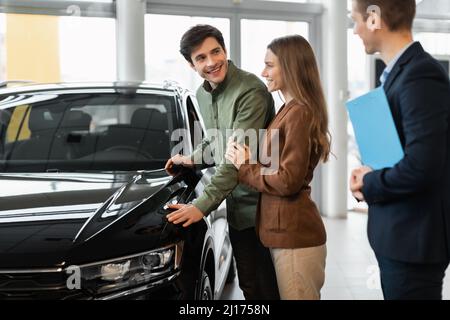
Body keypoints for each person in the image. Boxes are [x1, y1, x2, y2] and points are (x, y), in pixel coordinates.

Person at [164, 24, 279, 300]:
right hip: (237, 208)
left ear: (225, 50)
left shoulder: (250, 90)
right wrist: (189, 159)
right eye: (201, 58)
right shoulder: (203, 94)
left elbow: (234, 160)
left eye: (215, 52)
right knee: (250, 286)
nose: (212, 62)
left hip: (261, 210)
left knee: (264, 289)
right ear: (191, 65)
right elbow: (216, 143)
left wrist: (200, 206)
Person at [349, 0, 450, 300]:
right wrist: (369, 174)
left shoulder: (420, 75)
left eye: (355, 20)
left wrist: (370, 183)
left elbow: (422, 166)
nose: (354, 30)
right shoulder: (398, 74)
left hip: (414, 242)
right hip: (401, 236)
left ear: (374, 18)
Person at [225, 35, 330, 300]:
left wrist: (246, 167)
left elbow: (287, 180)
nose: (263, 73)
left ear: (291, 66)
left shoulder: (299, 113)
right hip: (284, 234)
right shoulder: (288, 109)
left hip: (295, 237)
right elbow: (280, 166)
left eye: (269, 65)